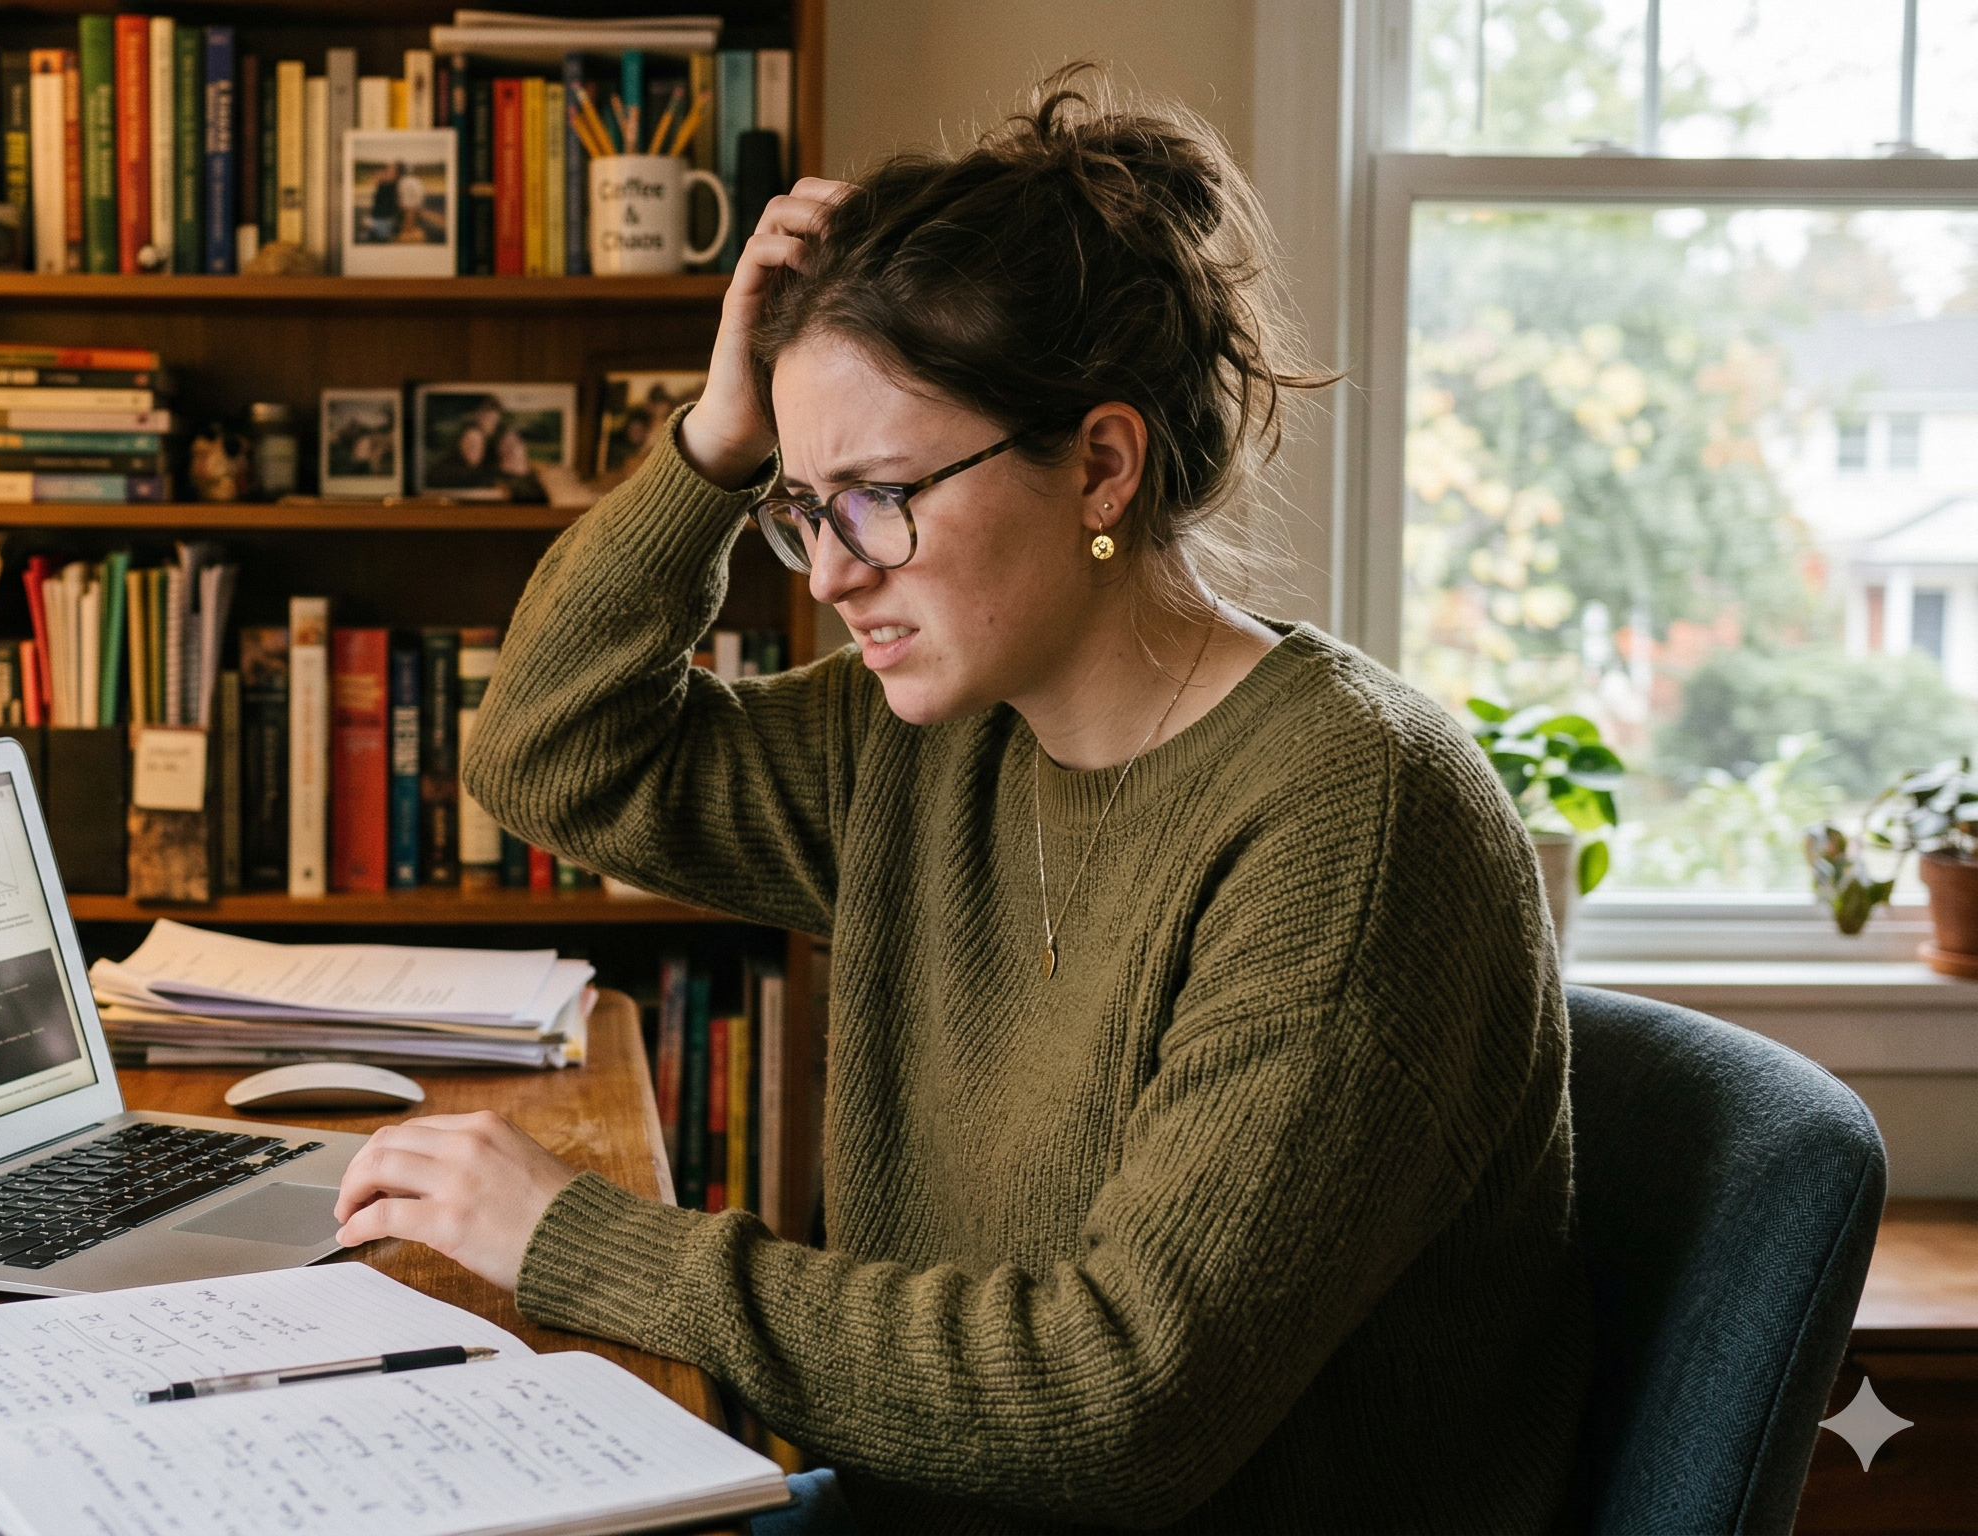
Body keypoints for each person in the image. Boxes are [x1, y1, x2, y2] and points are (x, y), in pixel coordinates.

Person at [331, 66, 1592, 1533]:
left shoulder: (1356, 817)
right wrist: (718, 442)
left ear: (1100, 465)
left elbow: (1117, 1403)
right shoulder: (930, 743)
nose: (826, 571)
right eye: (801, 507)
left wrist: (582, 1243)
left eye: (877, 495)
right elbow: (551, 753)